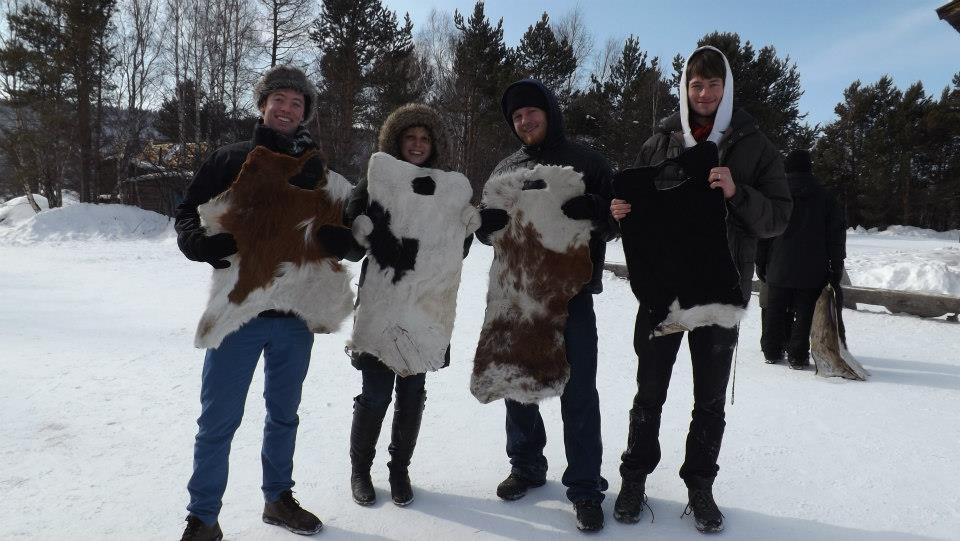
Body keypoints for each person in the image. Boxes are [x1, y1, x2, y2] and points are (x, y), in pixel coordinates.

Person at [609, 46, 791, 533]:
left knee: (709, 399)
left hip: (719, 292)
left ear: (726, 89)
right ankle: (634, 477)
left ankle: (701, 485)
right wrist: (620, 213)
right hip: (663, 294)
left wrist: (737, 192)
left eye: (712, 84)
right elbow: (633, 198)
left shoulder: (755, 145)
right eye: (695, 84)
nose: (703, 93)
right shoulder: (661, 140)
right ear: (685, 89)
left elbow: (778, 217)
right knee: (649, 392)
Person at [175, 65, 343, 541]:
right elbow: (188, 210)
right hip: (238, 312)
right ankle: (203, 518)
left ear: (305, 112)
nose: (287, 108)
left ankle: (277, 499)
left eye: (296, 102)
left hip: (293, 316)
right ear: (263, 104)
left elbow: (332, 228)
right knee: (217, 420)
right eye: (279, 99)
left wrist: (339, 240)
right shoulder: (230, 159)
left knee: (284, 414)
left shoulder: (316, 168)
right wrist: (198, 243)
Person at [474, 79, 616, 532]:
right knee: (518, 383)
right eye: (516, 117)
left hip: (570, 297)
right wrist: (484, 227)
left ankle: (585, 486)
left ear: (550, 112)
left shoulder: (587, 161)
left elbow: (617, 218)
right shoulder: (504, 169)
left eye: (531, 112)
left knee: (578, 392)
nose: (524, 121)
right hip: (516, 298)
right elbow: (488, 226)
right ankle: (528, 466)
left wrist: (598, 210)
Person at [341, 103, 473, 508]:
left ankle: (400, 470)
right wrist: (362, 229)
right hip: (383, 300)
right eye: (410, 138)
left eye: (424, 139)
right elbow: (350, 238)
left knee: (413, 391)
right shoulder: (376, 182)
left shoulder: (445, 189)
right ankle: (360, 470)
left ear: (433, 146)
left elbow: (454, 252)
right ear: (396, 141)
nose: (417, 145)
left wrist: (464, 230)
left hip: (426, 304)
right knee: (376, 392)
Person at [757, 148, 846, 369]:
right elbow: (836, 234)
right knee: (805, 311)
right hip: (813, 266)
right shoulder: (825, 196)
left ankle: (771, 349)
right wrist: (836, 264)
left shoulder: (775, 194)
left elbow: (764, 231)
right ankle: (797, 354)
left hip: (778, 262)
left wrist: (761, 261)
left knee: (775, 309)